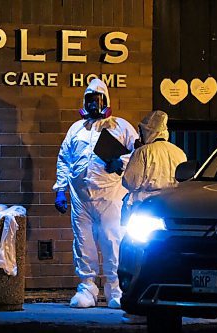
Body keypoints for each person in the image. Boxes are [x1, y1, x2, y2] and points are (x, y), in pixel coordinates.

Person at [53, 78, 138, 309]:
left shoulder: (121, 127)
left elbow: (138, 154)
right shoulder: (76, 129)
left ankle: (115, 289)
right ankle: (87, 288)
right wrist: (60, 189)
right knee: (83, 243)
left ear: (107, 100)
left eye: (98, 100)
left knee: (113, 241)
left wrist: (119, 163)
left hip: (111, 196)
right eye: (90, 100)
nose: (93, 105)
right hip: (81, 199)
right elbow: (64, 159)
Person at [120, 110, 186, 323]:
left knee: (138, 259)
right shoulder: (178, 152)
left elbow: (130, 182)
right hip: (170, 213)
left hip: (143, 209)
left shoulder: (143, 153)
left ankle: (138, 306)